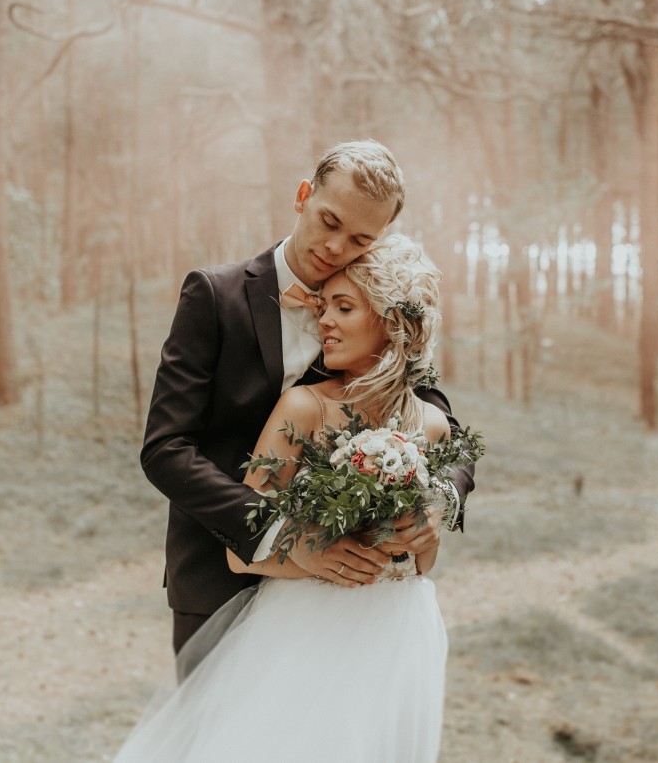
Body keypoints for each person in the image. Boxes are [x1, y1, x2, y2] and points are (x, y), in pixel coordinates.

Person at [116, 234, 457, 762]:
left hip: (398, 634)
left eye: (344, 308)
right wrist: (313, 557)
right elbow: (239, 549)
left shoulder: (431, 424)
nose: (325, 321)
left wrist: (428, 528)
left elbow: (419, 562)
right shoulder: (303, 408)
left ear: (392, 323)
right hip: (301, 630)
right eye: (324, 307)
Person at [139, 140, 474, 656]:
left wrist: (438, 500)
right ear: (303, 196)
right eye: (329, 221)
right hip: (216, 574)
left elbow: (442, 422)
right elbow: (166, 448)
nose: (336, 247)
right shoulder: (214, 295)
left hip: (340, 597)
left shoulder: (375, 309)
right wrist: (286, 536)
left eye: (360, 238)